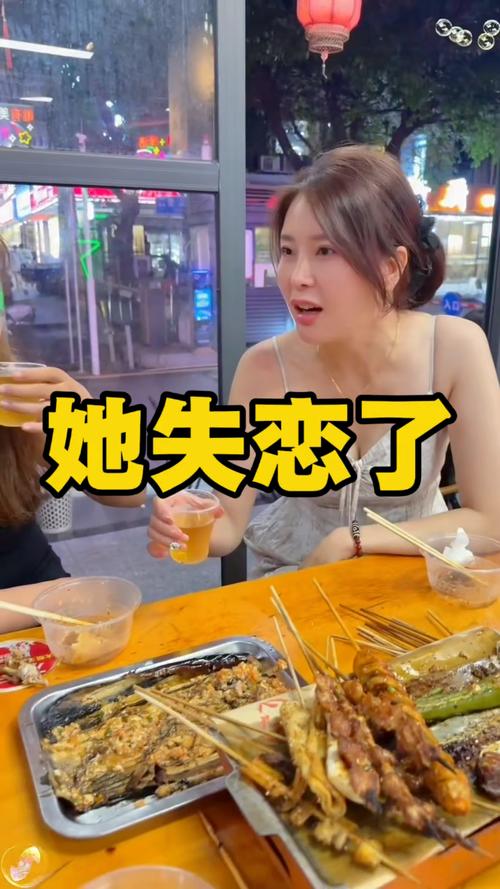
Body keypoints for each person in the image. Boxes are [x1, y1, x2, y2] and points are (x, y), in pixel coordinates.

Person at [147, 145, 500, 578]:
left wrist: (353, 539)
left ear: (391, 267)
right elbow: (228, 525)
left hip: (414, 578)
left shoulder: (454, 348)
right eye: (287, 251)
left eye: (326, 251)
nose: (297, 277)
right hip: (299, 579)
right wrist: (182, 519)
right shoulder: (262, 368)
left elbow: (490, 519)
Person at [0, 239, 146, 632]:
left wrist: (88, 428)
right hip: (50, 605)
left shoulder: (11, 394)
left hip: (50, 609)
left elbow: (129, 493)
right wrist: (61, 597)